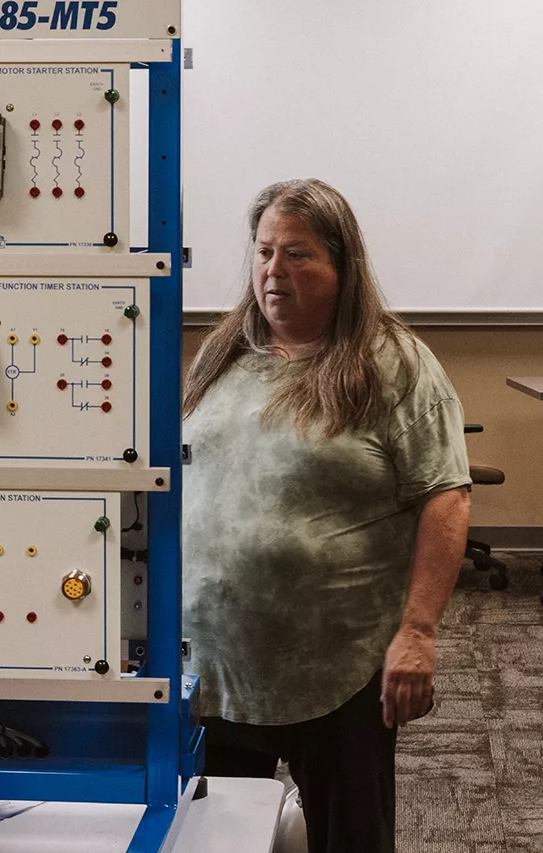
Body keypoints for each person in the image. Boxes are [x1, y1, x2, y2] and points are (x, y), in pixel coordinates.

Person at [181, 178, 472, 853]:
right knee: (214, 838)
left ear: (343, 265)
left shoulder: (394, 365)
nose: (273, 271)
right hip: (217, 664)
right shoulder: (223, 354)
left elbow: (446, 495)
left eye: (297, 254)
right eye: (264, 252)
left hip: (339, 667)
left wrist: (418, 632)